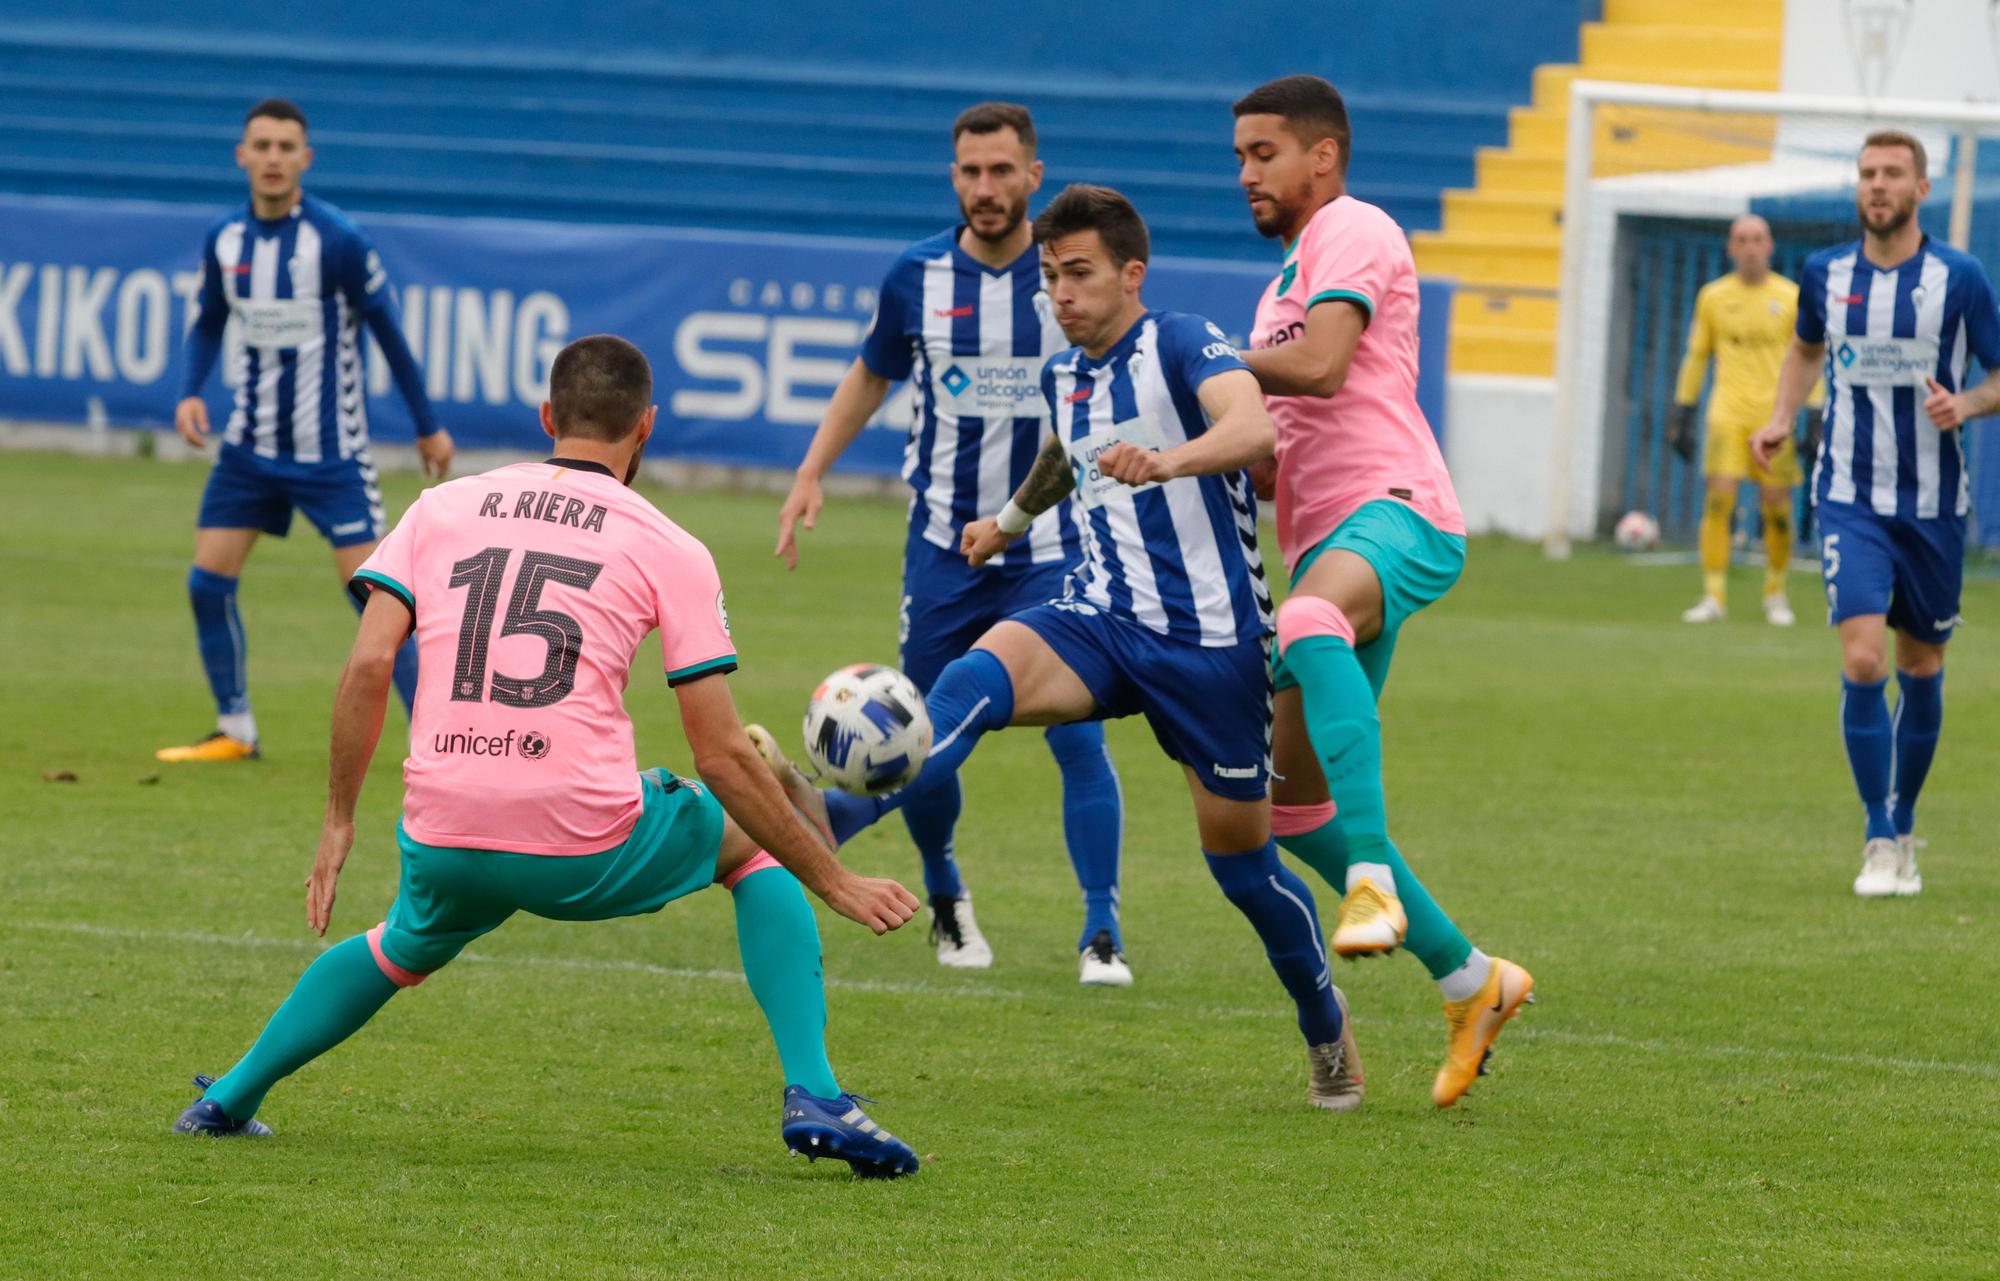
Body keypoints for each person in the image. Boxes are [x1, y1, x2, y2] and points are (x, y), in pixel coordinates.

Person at [172, 335, 925, 1178]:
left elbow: (371, 662)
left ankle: (226, 1099)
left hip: (445, 826)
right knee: (753, 840)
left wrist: (339, 817)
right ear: (646, 427)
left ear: (546, 418)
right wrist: (836, 878)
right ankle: (817, 1091)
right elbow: (717, 752)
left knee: (398, 945)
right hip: (577, 837)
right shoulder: (669, 542)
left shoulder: (439, 507)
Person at [761, 184, 1368, 1112]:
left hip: (1212, 646)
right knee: (970, 679)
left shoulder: (1182, 339)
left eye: (1079, 274)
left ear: (1132, 273)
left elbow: (1250, 426)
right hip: (1095, 616)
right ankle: (832, 820)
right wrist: (1004, 525)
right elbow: (1062, 455)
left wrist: (1167, 459)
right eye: (1051, 277)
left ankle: (1323, 1019)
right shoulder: (1066, 373)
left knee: (1243, 867)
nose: (1062, 294)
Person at [1231, 75, 1531, 1108]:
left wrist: (1197, 366)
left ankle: (1370, 879)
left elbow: (1317, 368)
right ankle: (1471, 979)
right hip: (1326, 543)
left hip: (1398, 510)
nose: (1245, 174)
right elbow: (1273, 445)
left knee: (1308, 617)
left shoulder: (1351, 226)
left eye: (1262, 153)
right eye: (1237, 157)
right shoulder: (1280, 283)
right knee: (1284, 808)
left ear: (1321, 157)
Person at [775, 103, 1128, 983]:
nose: (985, 188)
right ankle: (944, 892)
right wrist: (813, 468)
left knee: (1077, 737)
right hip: (943, 549)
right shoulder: (917, 276)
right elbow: (872, 372)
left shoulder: (1068, 284)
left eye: (1002, 171)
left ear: (1033, 176)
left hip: (1049, 546)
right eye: (969, 172)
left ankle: (1101, 929)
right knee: (919, 729)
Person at [160, 98, 452, 763]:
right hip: (249, 450)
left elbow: (389, 332)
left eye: (285, 147)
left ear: (305, 158)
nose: (272, 157)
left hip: (332, 456)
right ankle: (236, 728)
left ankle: (433, 741)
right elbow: (208, 319)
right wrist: (188, 394)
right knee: (207, 582)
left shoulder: (338, 240)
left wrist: (426, 425)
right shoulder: (225, 240)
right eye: (260, 145)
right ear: (241, 155)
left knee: (379, 600)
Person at [1751, 130, 2000, 899]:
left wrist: (1966, 402)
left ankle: (1906, 815)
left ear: (1922, 188)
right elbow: (1802, 350)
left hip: (1930, 506)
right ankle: (1878, 837)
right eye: (1867, 173)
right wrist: (1781, 416)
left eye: (1893, 173)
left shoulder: (1959, 277)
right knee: (1865, 659)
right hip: (1849, 496)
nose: (1878, 185)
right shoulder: (1824, 272)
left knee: (1921, 669)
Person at [1669, 215, 1820, 627]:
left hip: (1775, 414)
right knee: (1719, 501)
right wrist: (1683, 410)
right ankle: (1714, 595)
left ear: (1769, 246)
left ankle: (1775, 592)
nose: (1750, 247)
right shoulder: (1713, 297)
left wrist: (1814, 414)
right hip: (1727, 412)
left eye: (1757, 239)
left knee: (1776, 509)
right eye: (1742, 240)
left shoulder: (1790, 296)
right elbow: (1697, 354)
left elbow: (1810, 356)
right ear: (1730, 249)